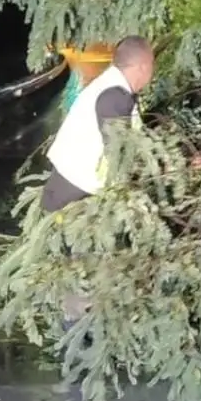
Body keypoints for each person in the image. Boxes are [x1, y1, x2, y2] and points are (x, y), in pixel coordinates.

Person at [41, 35, 154, 328]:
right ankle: (79, 347)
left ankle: (86, 338)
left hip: (74, 194)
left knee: (89, 273)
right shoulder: (114, 96)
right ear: (142, 66)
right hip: (76, 200)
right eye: (151, 67)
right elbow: (120, 152)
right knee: (84, 277)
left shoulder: (112, 88)